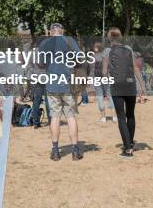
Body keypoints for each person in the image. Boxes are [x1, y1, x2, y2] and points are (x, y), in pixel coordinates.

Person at [38, 23, 82, 161]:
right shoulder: (69, 41)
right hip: (67, 84)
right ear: (62, 31)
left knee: (55, 117)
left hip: (52, 84)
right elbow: (80, 59)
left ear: (51, 32)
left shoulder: (45, 43)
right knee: (71, 116)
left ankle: (56, 151)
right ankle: (75, 151)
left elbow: (40, 64)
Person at [103, 28, 136, 159]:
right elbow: (135, 68)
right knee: (131, 115)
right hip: (130, 84)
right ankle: (131, 143)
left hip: (117, 85)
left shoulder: (107, 51)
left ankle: (127, 149)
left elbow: (105, 72)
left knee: (121, 117)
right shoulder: (129, 49)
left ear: (109, 38)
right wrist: (142, 88)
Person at [92, 41, 116, 122]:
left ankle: (103, 117)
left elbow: (91, 69)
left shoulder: (94, 56)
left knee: (99, 96)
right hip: (106, 77)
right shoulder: (107, 53)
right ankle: (114, 116)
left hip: (97, 78)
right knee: (110, 96)